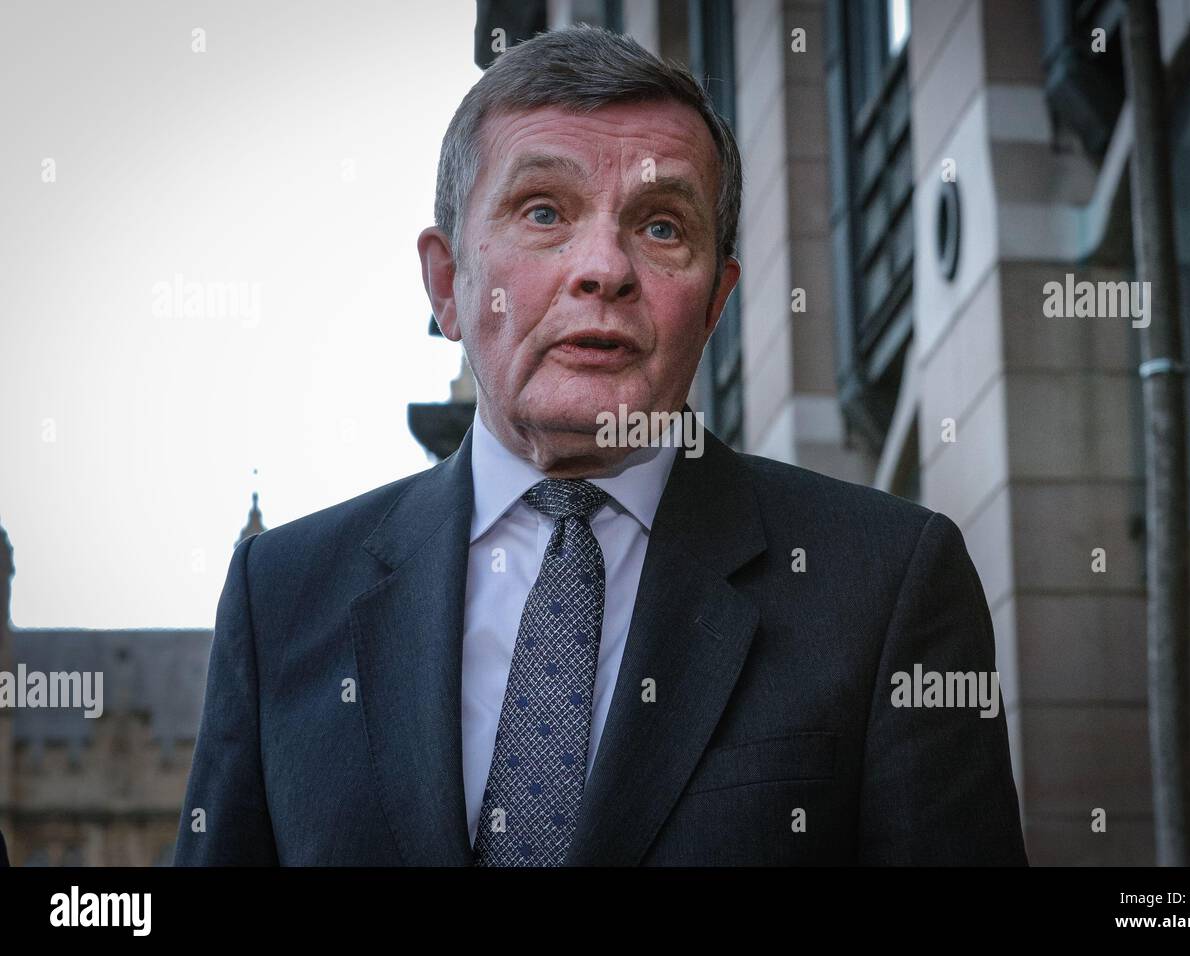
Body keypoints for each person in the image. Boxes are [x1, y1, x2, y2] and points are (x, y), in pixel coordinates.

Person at [174, 25, 1026, 866]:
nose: (605, 268)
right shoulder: (279, 599)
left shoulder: (886, 585)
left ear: (715, 302)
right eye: (544, 211)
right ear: (447, 284)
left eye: (661, 227)